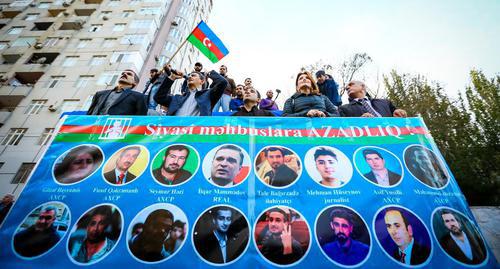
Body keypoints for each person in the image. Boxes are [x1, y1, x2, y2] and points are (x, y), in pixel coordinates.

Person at [154, 66, 228, 116]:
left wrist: (209, 73)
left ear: (202, 81)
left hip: (194, 137)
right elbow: (158, 98)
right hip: (174, 136)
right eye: (189, 75)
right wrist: (172, 78)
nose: (189, 77)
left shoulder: (208, 95)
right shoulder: (177, 98)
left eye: (193, 75)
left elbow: (223, 82)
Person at [339, 80, 407, 117]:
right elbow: (345, 128)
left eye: (351, 84)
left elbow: (400, 118)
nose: (347, 88)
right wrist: (359, 122)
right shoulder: (344, 109)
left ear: (362, 86)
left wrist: (400, 113)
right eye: (346, 88)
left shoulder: (385, 103)